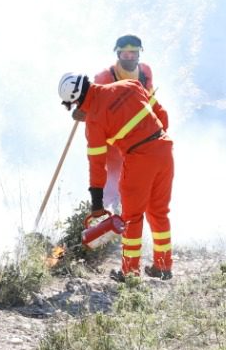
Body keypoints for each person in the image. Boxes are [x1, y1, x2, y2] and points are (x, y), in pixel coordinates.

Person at [59, 72, 173, 281]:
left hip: (139, 159)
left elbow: (97, 164)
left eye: (73, 105)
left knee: (131, 217)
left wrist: (96, 203)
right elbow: (161, 113)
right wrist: (154, 141)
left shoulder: (94, 122)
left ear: (76, 99)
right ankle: (163, 266)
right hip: (164, 150)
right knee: (158, 212)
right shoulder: (130, 84)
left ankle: (129, 273)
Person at [91, 35, 157, 207]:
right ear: (118, 55)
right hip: (112, 144)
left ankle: (125, 227)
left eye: (133, 54)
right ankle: (100, 223)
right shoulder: (104, 78)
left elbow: (149, 102)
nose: (129, 58)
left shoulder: (145, 73)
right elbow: (92, 106)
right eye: (125, 55)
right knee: (110, 188)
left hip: (138, 141)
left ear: (139, 54)